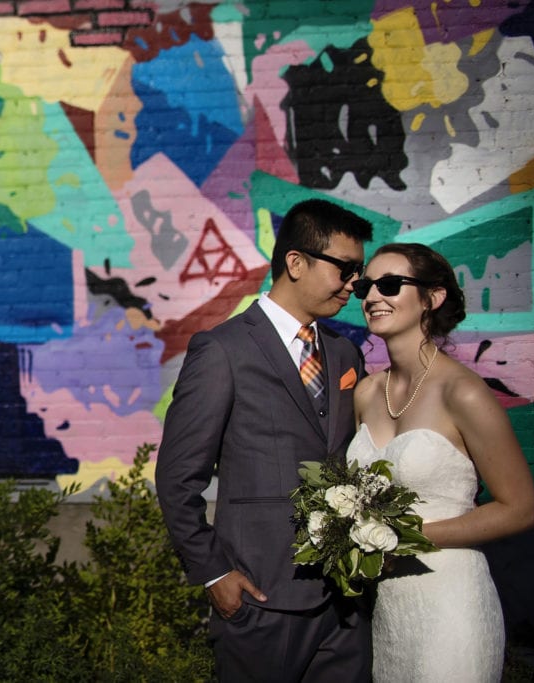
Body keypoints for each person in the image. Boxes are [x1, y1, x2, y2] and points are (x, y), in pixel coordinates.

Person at [156, 198, 374, 681]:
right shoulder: (223, 350)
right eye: (344, 268)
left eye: (357, 271)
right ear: (296, 262)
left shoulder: (344, 354)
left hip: (345, 601)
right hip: (261, 599)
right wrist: (214, 574)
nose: (354, 283)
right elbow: (177, 478)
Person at [346, 242, 534, 682]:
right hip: (390, 613)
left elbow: (521, 508)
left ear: (433, 298)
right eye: (365, 286)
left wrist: (401, 538)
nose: (373, 296)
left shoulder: (463, 392)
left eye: (390, 285)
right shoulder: (366, 393)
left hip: (452, 604)